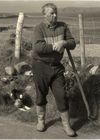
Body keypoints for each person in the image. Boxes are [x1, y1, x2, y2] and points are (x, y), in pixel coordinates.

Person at [31, 3, 76, 137]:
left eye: (56, 12)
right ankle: (41, 121)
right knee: (41, 94)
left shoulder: (63, 26)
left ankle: (66, 126)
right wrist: (55, 46)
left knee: (61, 95)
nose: (55, 15)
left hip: (56, 67)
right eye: (51, 13)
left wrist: (64, 43)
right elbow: (38, 48)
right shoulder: (38, 28)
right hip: (40, 66)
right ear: (44, 15)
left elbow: (73, 43)